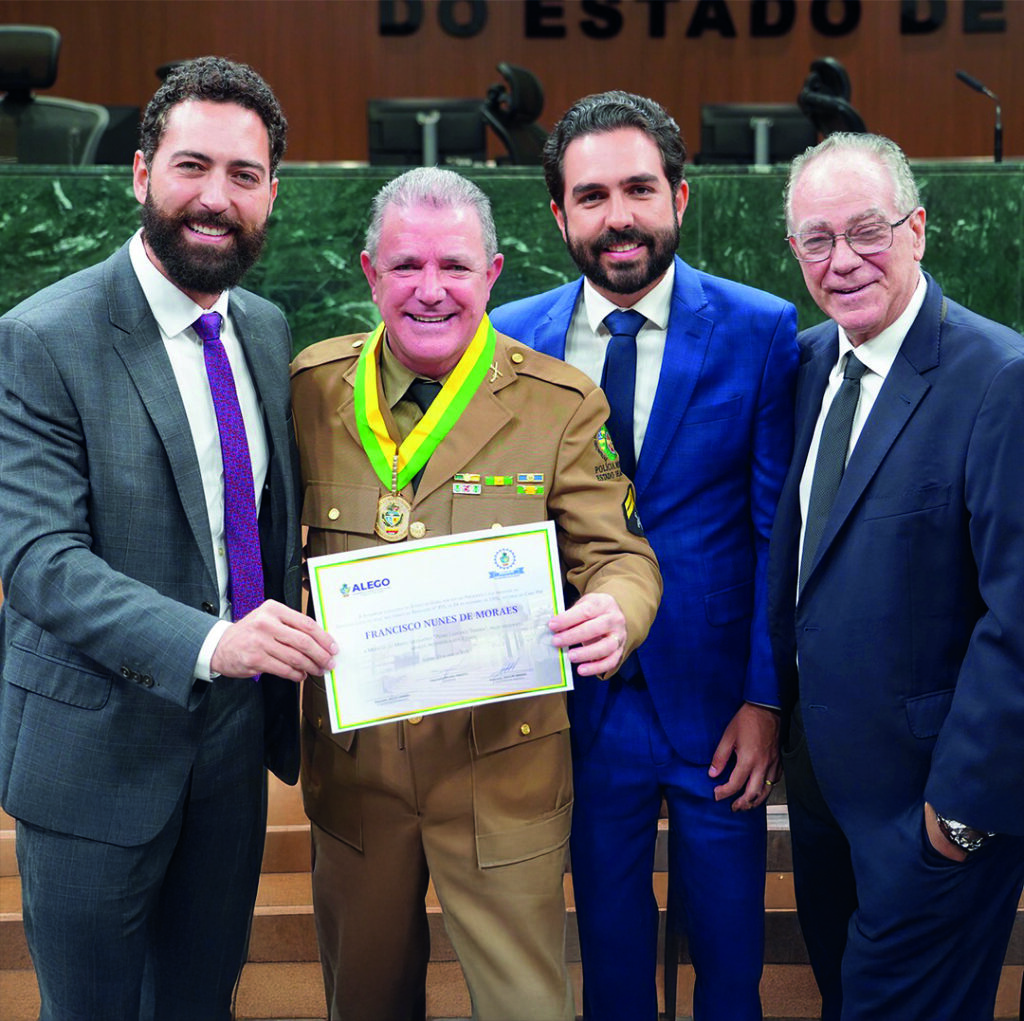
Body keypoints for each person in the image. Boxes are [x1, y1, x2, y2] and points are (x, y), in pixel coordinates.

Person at [0, 57, 336, 1021]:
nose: (216, 198)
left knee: (200, 1000)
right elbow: (39, 562)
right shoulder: (42, 337)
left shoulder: (264, 329)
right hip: (93, 750)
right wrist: (213, 642)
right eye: (193, 167)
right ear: (142, 173)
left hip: (230, 751)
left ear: (271, 194)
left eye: (243, 175)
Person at [291, 165, 662, 1021]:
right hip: (357, 771)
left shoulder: (558, 403)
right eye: (406, 265)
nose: (431, 290)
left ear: (492, 274)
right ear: (370, 273)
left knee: (525, 1005)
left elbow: (622, 556)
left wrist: (617, 610)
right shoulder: (311, 386)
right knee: (364, 1003)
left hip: (504, 768)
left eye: (454, 266)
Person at [491, 91, 799, 1020]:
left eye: (638, 189)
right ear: (560, 215)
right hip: (578, 707)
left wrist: (765, 700)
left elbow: (773, 532)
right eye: (591, 196)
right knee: (610, 959)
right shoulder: (509, 336)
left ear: (679, 197)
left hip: (717, 705)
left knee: (732, 963)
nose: (617, 216)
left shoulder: (760, 328)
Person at [767, 132, 1024, 1021]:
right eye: (817, 240)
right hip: (824, 803)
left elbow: (1018, 619)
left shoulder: (999, 378)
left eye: (867, 231)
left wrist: (960, 815)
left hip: (934, 817)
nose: (843, 260)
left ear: (917, 228)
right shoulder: (806, 366)